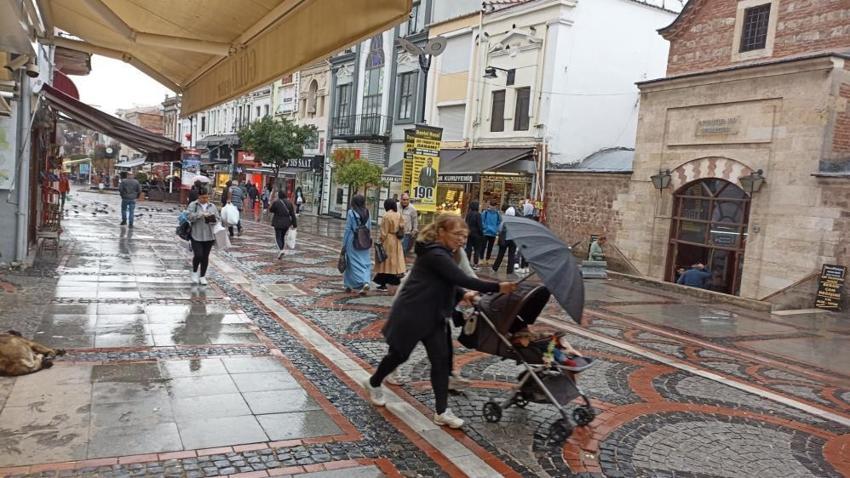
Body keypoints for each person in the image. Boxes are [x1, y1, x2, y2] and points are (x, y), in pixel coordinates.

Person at [362, 214, 517, 429]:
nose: (462, 240)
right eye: (457, 235)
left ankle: (442, 411)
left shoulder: (448, 254)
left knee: (441, 361)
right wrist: (498, 287)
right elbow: (459, 277)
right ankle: (374, 382)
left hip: (435, 316)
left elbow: (448, 281)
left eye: (464, 236)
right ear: (441, 232)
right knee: (398, 355)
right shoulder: (435, 254)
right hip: (413, 313)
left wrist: (464, 294)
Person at [186, 187, 220, 285]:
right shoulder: (193, 205)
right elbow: (189, 217)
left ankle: (202, 276)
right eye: (202, 198)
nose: (205, 200)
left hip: (209, 235)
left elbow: (218, 218)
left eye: (206, 197)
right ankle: (195, 271)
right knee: (198, 255)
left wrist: (212, 218)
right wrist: (200, 215)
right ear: (199, 197)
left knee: (205, 256)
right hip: (196, 234)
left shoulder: (212, 206)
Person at [342, 194, 373, 295]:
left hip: (353, 240)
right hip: (364, 239)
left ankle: (364, 282)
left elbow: (347, 229)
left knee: (353, 262)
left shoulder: (351, 212)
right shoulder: (367, 212)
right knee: (365, 262)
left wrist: (344, 244)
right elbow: (369, 227)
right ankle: (349, 284)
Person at [373, 198, 406, 290]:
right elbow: (403, 226)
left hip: (388, 240)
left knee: (385, 262)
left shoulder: (386, 216)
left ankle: (383, 283)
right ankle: (393, 281)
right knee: (394, 261)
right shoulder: (398, 214)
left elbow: (384, 231)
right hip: (397, 240)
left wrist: (380, 240)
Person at [269, 190, 297, 260]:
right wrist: (295, 224)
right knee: (282, 237)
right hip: (286, 223)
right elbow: (293, 214)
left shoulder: (277, 202)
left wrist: (273, 202)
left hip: (278, 223)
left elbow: (271, 210)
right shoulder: (289, 203)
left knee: (278, 237)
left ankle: (281, 250)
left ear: (279, 195)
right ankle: (281, 250)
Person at [491, 204, 518, 275]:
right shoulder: (516, 221)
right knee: (511, 255)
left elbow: (499, 229)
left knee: (500, 254)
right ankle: (509, 270)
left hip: (505, 239)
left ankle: (495, 267)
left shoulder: (505, 220)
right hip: (513, 239)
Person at [464, 201, 483, 269]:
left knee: (468, 249)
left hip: (469, 233)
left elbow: (466, 223)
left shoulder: (468, 214)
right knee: (477, 250)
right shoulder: (478, 214)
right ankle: (475, 264)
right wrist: (482, 233)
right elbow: (480, 226)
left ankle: (467, 263)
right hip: (477, 235)